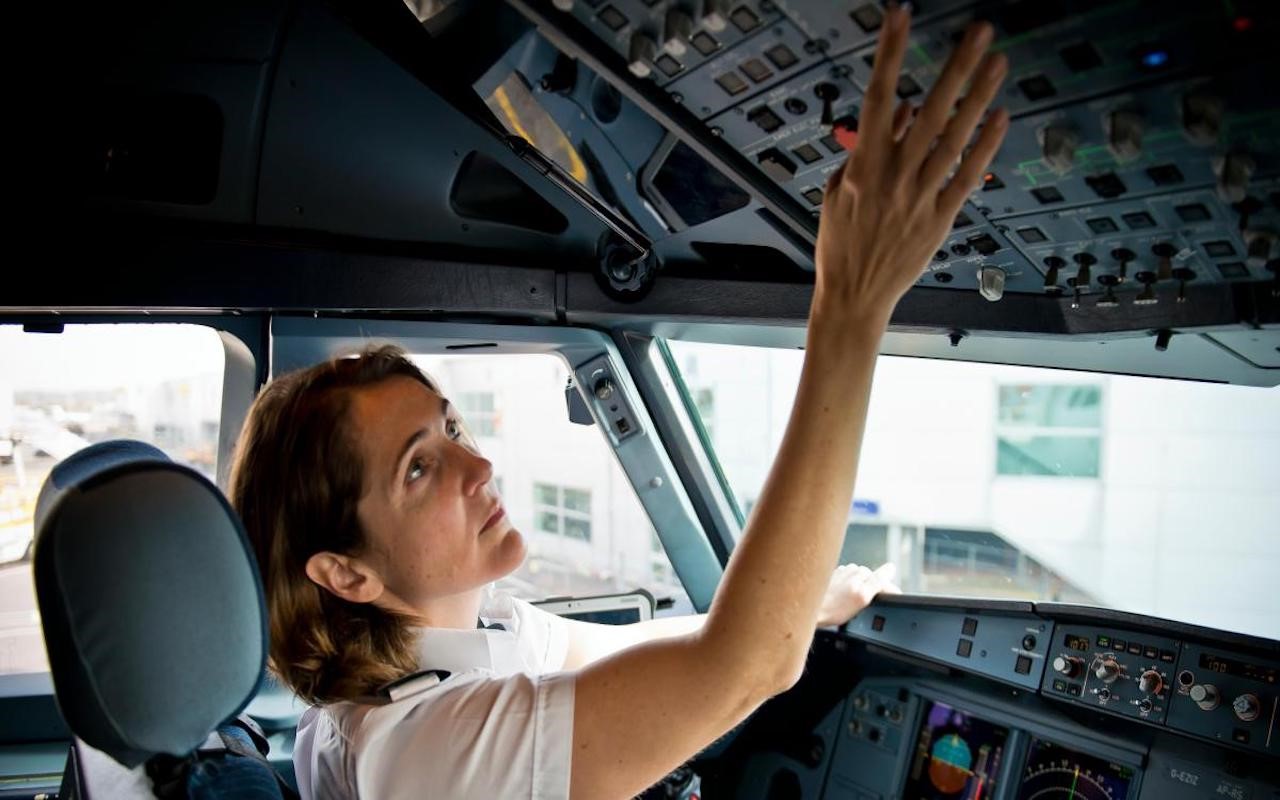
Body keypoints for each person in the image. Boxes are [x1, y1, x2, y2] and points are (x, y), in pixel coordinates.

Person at [227, 6, 1009, 798]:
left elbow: (611, 649)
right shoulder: (425, 753)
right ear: (346, 574)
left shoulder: (460, 637)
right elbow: (745, 667)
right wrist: (853, 300)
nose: (480, 464)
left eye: (451, 429)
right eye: (419, 468)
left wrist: (811, 604)